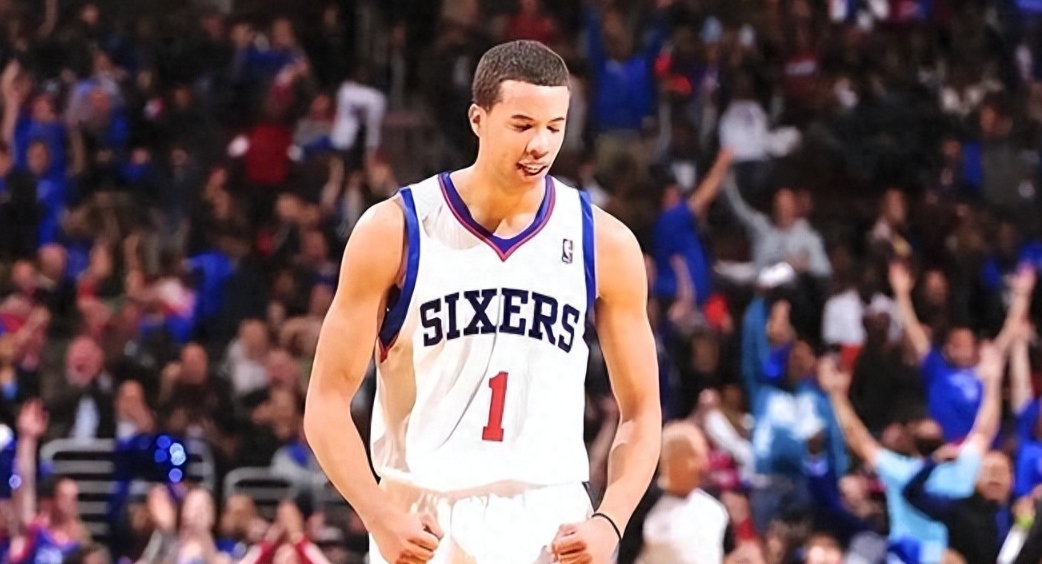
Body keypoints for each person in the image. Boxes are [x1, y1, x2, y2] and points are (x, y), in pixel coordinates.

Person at [304, 39, 662, 564]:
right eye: (522, 125)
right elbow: (325, 403)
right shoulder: (396, 230)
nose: (540, 144)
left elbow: (642, 410)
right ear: (478, 119)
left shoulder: (603, 242)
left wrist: (611, 520)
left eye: (555, 127)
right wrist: (378, 516)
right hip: (423, 518)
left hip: (550, 520)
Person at [820, 341, 1005, 564]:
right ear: (909, 437)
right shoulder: (902, 470)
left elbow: (985, 430)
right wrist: (836, 395)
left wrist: (993, 381)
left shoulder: (961, 464)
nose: (929, 427)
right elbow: (858, 440)